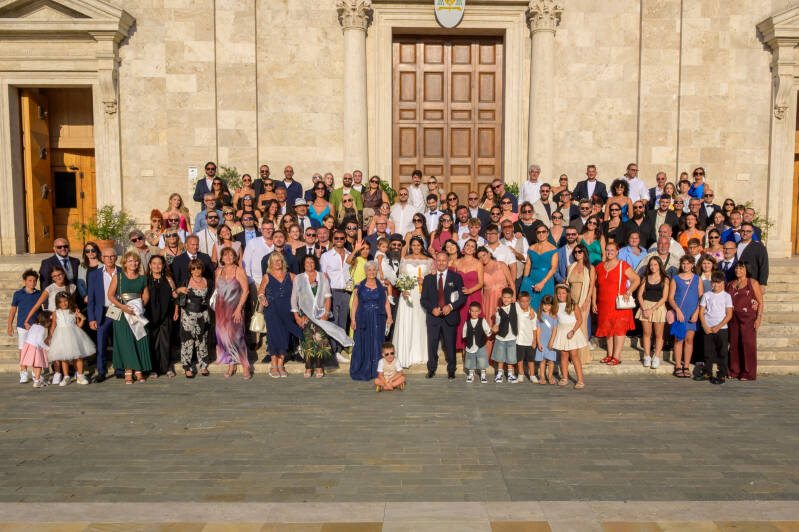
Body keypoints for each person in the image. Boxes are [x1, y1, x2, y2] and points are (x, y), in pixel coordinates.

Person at [292, 255, 353, 378]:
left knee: (320, 341)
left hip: (320, 314)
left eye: (312, 262)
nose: (309, 264)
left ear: (315, 264)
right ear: (303, 264)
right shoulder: (298, 278)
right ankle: (308, 366)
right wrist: (296, 316)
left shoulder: (322, 277)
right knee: (308, 341)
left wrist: (326, 312)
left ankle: (319, 366)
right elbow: (294, 298)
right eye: (307, 262)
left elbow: (327, 296)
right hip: (305, 315)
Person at [593, 241, 640, 366]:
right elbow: (595, 286)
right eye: (607, 250)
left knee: (619, 329)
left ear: (617, 251)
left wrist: (628, 292)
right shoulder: (600, 266)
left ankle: (617, 356)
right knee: (608, 328)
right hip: (603, 302)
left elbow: (637, 279)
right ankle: (609, 354)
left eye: (612, 250)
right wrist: (594, 302)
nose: (609, 252)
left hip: (619, 303)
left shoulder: (622, 265)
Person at [108, 252, 152, 384]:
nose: (134, 263)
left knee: (139, 339)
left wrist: (139, 308)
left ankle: (139, 371)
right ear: (125, 263)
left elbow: (146, 296)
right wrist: (123, 307)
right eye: (130, 261)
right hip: (122, 314)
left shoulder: (142, 278)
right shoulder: (118, 277)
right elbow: (110, 295)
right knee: (125, 342)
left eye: (136, 261)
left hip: (137, 313)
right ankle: (128, 371)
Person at [421, 252, 465, 379]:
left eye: (444, 260)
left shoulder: (456, 277)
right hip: (433, 317)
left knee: (450, 344)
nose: (441, 263)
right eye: (438, 260)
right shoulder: (428, 278)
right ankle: (432, 368)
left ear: (448, 262)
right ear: (435, 261)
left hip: (449, 317)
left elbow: (462, 297)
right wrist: (432, 309)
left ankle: (451, 369)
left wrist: (450, 306)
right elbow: (423, 300)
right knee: (432, 344)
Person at [258, 252, 302, 378]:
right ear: (270, 263)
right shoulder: (267, 276)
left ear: (283, 262)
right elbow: (261, 291)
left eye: (279, 260)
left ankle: (281, 363)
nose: (277, 263)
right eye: (275, 261)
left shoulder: (292, 276)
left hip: (287, 309)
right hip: (271, 309)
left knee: (284, 336)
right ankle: (273, 364)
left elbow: (302, 290)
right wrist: (262, 298)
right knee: (273, 336)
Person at [392, 236, 434, 367]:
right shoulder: (405, 259)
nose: (416, 247)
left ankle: (420, 353)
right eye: (413, 245)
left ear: (422, 246)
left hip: (422, 294)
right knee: (408, 320)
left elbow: (433, 280)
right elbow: (401, 277)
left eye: (418, 245)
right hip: (408, 294)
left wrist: (425, 281)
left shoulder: (429, 261)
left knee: (420, 321)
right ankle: (405, 354)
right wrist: (403, 290)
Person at [350, 261, 391, 381]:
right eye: (369, 270)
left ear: (377, 271)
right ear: (365, 271)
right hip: (363, 318)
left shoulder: (382, 286)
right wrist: (353, 319)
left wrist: (389, 316)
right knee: (363, 342)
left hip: (379, 318)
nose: (372, 272)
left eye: (374, 270)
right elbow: (355, 304)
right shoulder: (359, 286)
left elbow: (386, 302)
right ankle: (364, 368)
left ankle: (377, 370)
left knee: (377, 342)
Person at [214, 247, 251, 379]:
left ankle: (245, 365)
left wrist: (238, 309)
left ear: (235, 257)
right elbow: (216, 291)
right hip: (221, 311)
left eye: (231, 255)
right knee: (224, 339)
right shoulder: (218, 271)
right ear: (222, 258)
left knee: (237, 338)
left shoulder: (239, 270)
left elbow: (246, 291)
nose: (228, 257)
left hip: (235, 309)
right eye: (225, 255)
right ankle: (231, 364)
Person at [47, 291, 93, 386]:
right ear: (57, 303)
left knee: (78, 356)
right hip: (61, 336)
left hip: (74, 335)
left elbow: (79, 325)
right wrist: (49, 337)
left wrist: (82, 318)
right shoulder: (56, 313)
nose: (63, 304)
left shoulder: (73, 311)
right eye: (61, 302)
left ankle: (80, 376)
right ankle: (66, 376)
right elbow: (53, 326)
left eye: (65, 301)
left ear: (69, 301)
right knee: (64, 357)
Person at [726, 262, 763, 381]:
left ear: (747, 270)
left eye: (741, 268)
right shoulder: (731, 284)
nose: (738, 270)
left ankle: (748, 373)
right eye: (736, 268)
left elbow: (760, 302)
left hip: (748, 318)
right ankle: (734, 370)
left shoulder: (752, 283)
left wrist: (758, 318)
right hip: (733, 318)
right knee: (734, 344)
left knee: (748, 344)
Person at [320, 229, 352, 362]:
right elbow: (323, 276)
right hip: (332, 291)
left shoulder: (350, 255)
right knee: (333, 322)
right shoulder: (326, 256)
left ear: (345, 239)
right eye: (337, 238)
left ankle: (338, 350)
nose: (339, 240)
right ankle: (333, 351)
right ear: (333, 240)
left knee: (343, 322)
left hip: (347, 292)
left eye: (341, 238)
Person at [175, 258, 210, 378]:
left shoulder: (207, 281)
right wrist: (179, 289)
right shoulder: (186, 281)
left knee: (202, 340)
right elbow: (175, 295)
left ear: (202, 269)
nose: (196, 270)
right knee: (187, 341)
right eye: (193, 268)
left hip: (203, 314)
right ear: (190, 270)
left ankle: (203, 365)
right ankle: (187, 367)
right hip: (188, 314)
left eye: (198, 268)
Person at [478, 245, 514, 363]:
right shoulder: (481, 269)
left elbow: (511, 282)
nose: (483, 258)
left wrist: (513, 297)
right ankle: (490, 358)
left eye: (484, 255)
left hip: (504, 300)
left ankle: (505, 360)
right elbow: (482, 290)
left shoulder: (501, 264)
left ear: (489, 254)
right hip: (488, 301)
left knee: (505, 328)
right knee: (490, 328)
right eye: (479, 257)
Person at [668, 256, 702, 378]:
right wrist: (677, 310)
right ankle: (678, 365)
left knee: (689, 340)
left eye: (688, 264)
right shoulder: (675, 279)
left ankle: (686, 365)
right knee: (679, 340)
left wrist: (697, 312)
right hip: (680, 314)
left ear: (692, 265)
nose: (685, 266)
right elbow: (670, 298)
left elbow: (701, 297)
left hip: (692, 314)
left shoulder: (697, 279)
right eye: (683, 263)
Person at [697, 271, 733, 384]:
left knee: (722, 352)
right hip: (708, 326)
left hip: (721, 328)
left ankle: (721, 374)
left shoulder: (727, 296)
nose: (715, 285)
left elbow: (729, 314)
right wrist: (704, 325)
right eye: (713, 283)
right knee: (708, 351)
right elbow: (701, 312)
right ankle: (707, 372)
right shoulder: (707, 295)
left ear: (722, 283)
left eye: (718, 283)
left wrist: (718, 326)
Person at [145, 255, 176, 379]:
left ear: (163, 265)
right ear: (150, 265)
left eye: (159, 263)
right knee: (152, 342)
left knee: (166, 342)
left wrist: (176, 311)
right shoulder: (145, 280)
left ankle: (167, 367)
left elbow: (175, 296)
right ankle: (153, 369)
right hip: (151, 315)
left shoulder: (168, 279)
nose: (157, 266)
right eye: (154, 263)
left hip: (166, 315)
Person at [8, 270, 42, 384]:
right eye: (30, 281)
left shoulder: (39, 294)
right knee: (23, 349)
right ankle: (23, 372)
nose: (32, 283)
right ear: (24, 281)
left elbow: (41, 310)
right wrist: (9, 326)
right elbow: (13, 311)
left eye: (34, 281)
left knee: (36, 349)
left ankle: (35, 372)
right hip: (22, 326)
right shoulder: (18, 294)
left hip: (36, 326)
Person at [552, 284, 587, 389]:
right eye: (559, 293)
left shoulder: (573, 304)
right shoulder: (556, 305)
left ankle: (580, 380)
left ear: (567, 294)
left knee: (574, 355)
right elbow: (553, 318)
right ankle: (565, 377)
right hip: (561, 331)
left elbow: (580, 319)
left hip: (572, 331)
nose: (561, 295)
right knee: (563, 355)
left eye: (563, 293)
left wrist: (573, 331)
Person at [636, 256, 669, 369]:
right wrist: (644, 308)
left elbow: (665, 297)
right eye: (651, 265)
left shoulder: (665, 279)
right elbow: (639, 295)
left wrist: (652, 309)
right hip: (645, 306)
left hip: (658, 307)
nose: (653, 267)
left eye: (655, 264)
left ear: (660, 265)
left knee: (659, 335)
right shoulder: (645, 278)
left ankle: (656, 357)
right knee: (646, 333)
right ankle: (647, 356)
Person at [566, 244, 595, 364]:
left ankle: (582, 357)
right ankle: (572, 355)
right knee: (570, 326)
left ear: (584, 253)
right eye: (575, 252)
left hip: (583, 299)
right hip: (571, 298)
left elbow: (592, 285)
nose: (577, 254)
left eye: (579, 252)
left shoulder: (590, 268)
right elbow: (568, 285)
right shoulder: (570, 267)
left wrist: (588, 300)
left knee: (581, 327)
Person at [454, 239, 484, 355]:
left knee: (473, 322)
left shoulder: (478, 263)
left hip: (474, 296)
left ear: (475, 250)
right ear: (464, 247)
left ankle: (475, 349)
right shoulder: (457, 262)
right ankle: (463, 350)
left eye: (472, 246)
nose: (469, 248)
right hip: (461, 297)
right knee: (461, 321)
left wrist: (469, 290)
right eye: (467, 245)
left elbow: (481, 283)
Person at [520, 224, 558, 310]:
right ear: (536, 234)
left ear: (547, 233)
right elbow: (528, 265)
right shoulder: (532, 248)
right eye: (538, 232)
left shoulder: (553, 249)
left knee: (545, 306)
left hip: (546, 280)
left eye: (543, 232)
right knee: (530, 305)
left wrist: (542, 283)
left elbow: (553, 268)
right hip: (532, 278)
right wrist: (525, 279)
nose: (541, 234)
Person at [490, 288, 519, 383]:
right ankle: (499, 374)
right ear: (501, 298)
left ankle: (510, 374)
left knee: (511, 357)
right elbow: (497, 323)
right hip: (501, 337)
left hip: (512, 337)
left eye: (508, 298)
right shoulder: (499, 310)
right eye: (504, 297)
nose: (506, 299)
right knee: (500, 357)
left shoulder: (515, 306)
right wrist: (494, 326)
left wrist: (531, 311)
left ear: (512, 298)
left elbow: (524, 308)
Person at [19, 310, 51, 388]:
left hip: (28, 345)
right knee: (38, 364)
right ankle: (37, 381)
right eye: (50, 322)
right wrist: (47, 348)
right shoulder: (42, 329)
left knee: (35, 364)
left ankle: (37, 379)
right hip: (35, 347)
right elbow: (39, 341)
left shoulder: (33, 325)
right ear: (46, 322)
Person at [462, 301, 491, 383]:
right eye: (472, 311)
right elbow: (464, 334)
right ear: (469, 311)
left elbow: (487, 330)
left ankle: (483, 374)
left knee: (482, 359)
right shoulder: (467, 322)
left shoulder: (482, 321)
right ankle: (471, 374)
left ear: (479, 312)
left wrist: (489, 333)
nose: (474, 313)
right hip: (470, 345)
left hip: (480, 345)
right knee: (470, 359)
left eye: (476, 311)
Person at [736, 222, 769, 291]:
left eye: (748, 231)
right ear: (739, 232)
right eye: (743, 231)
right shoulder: (735, 245)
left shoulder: (759, 247)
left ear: (752, 232)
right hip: (736, 282)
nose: (745, 233)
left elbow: (764, 266)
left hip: (752, 283)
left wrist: (762, 284)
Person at [514, 291, 538, 382]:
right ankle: (521, 374)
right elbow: (511, 302)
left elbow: (534, 328)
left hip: (530, 340)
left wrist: (534, 340)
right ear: (518, 301)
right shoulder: (517, 309)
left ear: (529, 301)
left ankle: (532, 375)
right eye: (522, 301)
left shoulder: (533, 314)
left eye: (526, 301)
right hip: (519, 340)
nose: (524, 303)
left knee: (531, 359)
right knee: (519, 358)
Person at [535, 294, 557, 385]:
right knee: (542, 361)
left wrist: (551, 341)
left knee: (551, 361)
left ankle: (550, 376)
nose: (546, 307)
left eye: (548, 305)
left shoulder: (554, 317)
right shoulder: (540, 316)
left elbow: (555, 330)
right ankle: (542, 377)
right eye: (544, 304)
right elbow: (538, 330)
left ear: (552, 306)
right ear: (542, 304)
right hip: (542, 341)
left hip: (551, 341)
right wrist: (538, 342)